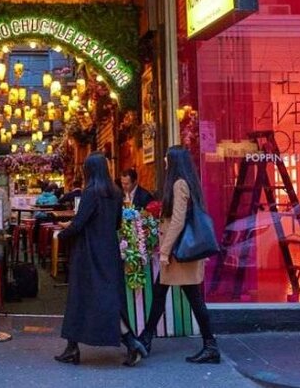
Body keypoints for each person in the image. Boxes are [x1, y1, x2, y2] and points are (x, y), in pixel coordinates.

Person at [54, 152, 148, 367]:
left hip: (88, 252)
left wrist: (61, 235)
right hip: (109, 250)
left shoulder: (91, 193)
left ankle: (130, 343)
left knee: (82, 297)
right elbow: (116, 223)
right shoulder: (115, 193)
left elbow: (79, 223)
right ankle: (74, 347)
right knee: (106, 297)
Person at [138, 146, 220, 364]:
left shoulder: (179, 183)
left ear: (173, 161)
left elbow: (178, 220)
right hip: (180, 253)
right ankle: (145, 339)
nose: (164, 161)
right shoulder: (188, 182)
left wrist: (164, 251)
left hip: (178, 253)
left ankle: (210, 345)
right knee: (160, 293)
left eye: (166, 158)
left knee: (193, 299)